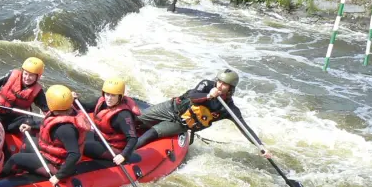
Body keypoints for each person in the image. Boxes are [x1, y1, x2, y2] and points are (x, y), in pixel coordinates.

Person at [135, 69, 273, 158]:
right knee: (138, 120)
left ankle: (128, 153)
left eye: (224, 84)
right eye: (219, 81)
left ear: (230, 89)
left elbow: (245, 128)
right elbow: (193, 96)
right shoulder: (207, 85)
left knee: (153, 132)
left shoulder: (229, 109)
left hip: (180, 124)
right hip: (172, 108)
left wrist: (260, 146)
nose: (219, 85)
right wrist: (208, 96)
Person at [0, 85, 91, 186]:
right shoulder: (66, 111)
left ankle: (0, 180)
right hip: (52, 155)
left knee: (15, 158)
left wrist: (58, 176)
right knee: (28, 143)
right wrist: (32, 127)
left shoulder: (65, 129)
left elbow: (74, 154)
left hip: (57, 166)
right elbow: (48, 124)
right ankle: (21, 170)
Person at [73, 77, 141, 166]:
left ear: (120, 96)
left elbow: (132, 138)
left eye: (113, 95)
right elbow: (85, 107)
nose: (109, 98)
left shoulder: (123, 115)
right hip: (101, 138)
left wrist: (123, 155)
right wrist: (74, 100)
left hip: (113, 147)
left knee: (80, 146)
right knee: (75, 135)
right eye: (107, 94)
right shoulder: (102, 102)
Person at [0, 57, 49, 132]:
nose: (27, 78)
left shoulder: (38, 92)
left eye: (31, 75)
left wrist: (35, 126)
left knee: (30, 122)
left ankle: (4, 128)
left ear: (38, 77)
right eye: (25, 74)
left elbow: (46, 110)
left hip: (14, 118)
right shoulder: (12, 75)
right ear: (22, 72)